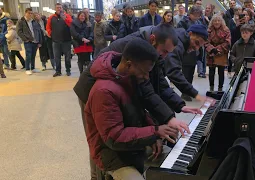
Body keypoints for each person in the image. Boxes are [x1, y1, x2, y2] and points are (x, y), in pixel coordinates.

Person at [74, 24, 198, 179]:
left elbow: (153, 90)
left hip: (111, 102)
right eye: (164, 51)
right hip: (93, 95)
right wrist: (156, 130)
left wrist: (161, 125)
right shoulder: (129, 55)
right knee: (99, 144)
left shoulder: (135, 70)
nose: (165, 56)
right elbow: (114, 136)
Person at [85, 39, 179, 180]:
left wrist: (155, 134)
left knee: (178, 166)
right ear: (129, 65)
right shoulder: (104, 91)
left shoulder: (129, 78)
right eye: (145, 72)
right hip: (113, 156)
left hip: (133, 148)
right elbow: (115, 137)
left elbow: (140, 114)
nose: (146, 77)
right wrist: (155, 131)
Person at [165, 24, 208, 101]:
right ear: (190, 34)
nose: (196, 48)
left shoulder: (180, 41)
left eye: (199, 46)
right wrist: (195, 94)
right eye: (196, 43)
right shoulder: (177, 44)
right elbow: (173, 71)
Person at [205, 15, 231, 92]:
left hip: (222, 53)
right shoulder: (209, 30)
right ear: (212, 22)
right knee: (211, 71)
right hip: (211, 53)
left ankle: (220, 88)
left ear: (221, 21)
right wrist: (212, 49)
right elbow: (205, 41)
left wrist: (218, 49)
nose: (216, 22)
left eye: (218, 20)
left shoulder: (226, 30)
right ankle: (211, 88)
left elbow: (228, 41)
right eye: (215, 21)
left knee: (221, 71)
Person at [46, 3, 73, 77]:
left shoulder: (67, 16)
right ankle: (58, 71)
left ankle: (68, 70)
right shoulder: (51, 18)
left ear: (62, 8)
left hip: (66, 40)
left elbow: (71, 25)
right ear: (55, 8)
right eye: (57, 7)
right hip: (56, 41)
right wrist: (51, 34)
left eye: (60, 7)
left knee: (67, 57)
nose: (59, 9)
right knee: (56, 57)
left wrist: (65, 19)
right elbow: (48, 27)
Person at [16, 8, 42, 75]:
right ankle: (27, 69)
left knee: (33, 55)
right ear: (25, 13)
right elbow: (19, 31)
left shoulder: (33, 21)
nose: (30, 14)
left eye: (31, 13)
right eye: (29, 13)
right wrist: (25, 39)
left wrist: (39, 41)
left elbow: (38, 31)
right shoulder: (21, 21)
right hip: (28, 41)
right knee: (28, 55)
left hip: (35, 41)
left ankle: (33, 68)